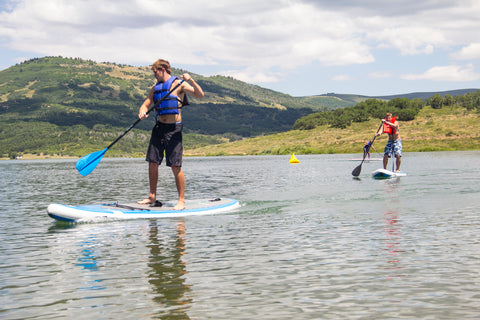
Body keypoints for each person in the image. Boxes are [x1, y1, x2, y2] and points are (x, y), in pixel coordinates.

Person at [137, 59, 204, 210]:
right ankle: (152, 196)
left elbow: (200, 95)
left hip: (174, 129)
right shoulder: (155, 87)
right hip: (159, 127)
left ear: (163, 69)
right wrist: (142, 111)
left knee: (175, 165)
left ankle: (181, 201)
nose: (154, 75)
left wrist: (191, 80)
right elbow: (147, 102)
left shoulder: (179, 84)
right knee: (153, 162)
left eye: (155, 72)